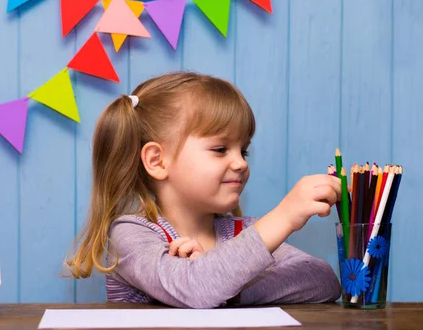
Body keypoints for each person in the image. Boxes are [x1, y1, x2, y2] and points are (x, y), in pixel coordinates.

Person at [66, 71, 342, 309]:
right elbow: (196, 288)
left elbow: (323, 280)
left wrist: (231, 288)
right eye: (220, 149)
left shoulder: (243, 232)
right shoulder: (131, 235)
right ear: (157, 161)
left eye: (243, 150)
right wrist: (283, 217)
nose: (241, 163)